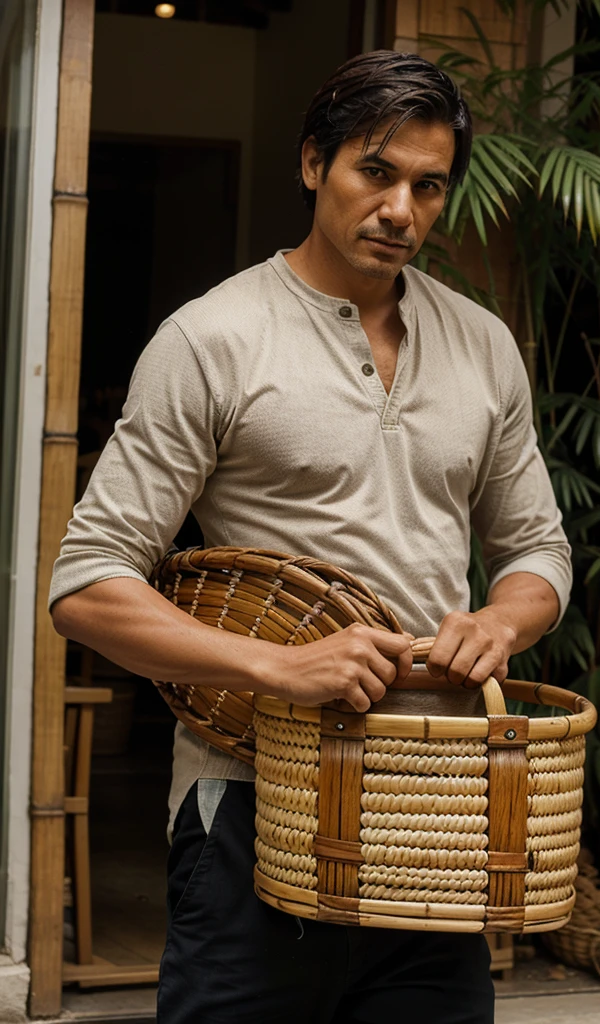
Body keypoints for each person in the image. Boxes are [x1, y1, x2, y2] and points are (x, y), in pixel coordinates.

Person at [50, 50, 571, 1024]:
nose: (400, 208)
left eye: (427, 185)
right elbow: (86, 585)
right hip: (255, 806)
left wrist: (502, 622)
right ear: (311, 165)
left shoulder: (484, 345)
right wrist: (280, 666)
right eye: (373, 171)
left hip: (433, 810)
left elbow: (537, 551)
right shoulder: (211, 340)